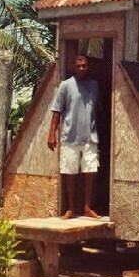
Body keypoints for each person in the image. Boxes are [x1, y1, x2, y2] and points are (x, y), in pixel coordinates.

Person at [47, 55, 101, 219]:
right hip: (70, 137)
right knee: (70, 172)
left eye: (84, 66)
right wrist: (51, 134)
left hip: (90, 137)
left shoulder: (94, 86)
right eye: (79, 66)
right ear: (73, 67)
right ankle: (70, 208)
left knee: (90, 172)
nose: (82, 69)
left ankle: (87, 207)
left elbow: (98, 110)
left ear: (88, 67)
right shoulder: (66, 85)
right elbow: (57, 111)